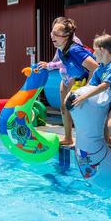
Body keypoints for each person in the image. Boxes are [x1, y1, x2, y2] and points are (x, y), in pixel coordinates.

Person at [37, 17, 98, 146]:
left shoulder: (73, 46)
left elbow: (94, 67)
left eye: (56, 34)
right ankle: (68, 137)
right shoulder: (60, 45)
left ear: (66, 35)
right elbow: (58, 61)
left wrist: (86, 89)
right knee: (64, 108)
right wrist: (47, 65)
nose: (52, 36)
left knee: (77, 110)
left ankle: (86, 141)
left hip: (76, 79)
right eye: (52, 33)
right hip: (65, 78)